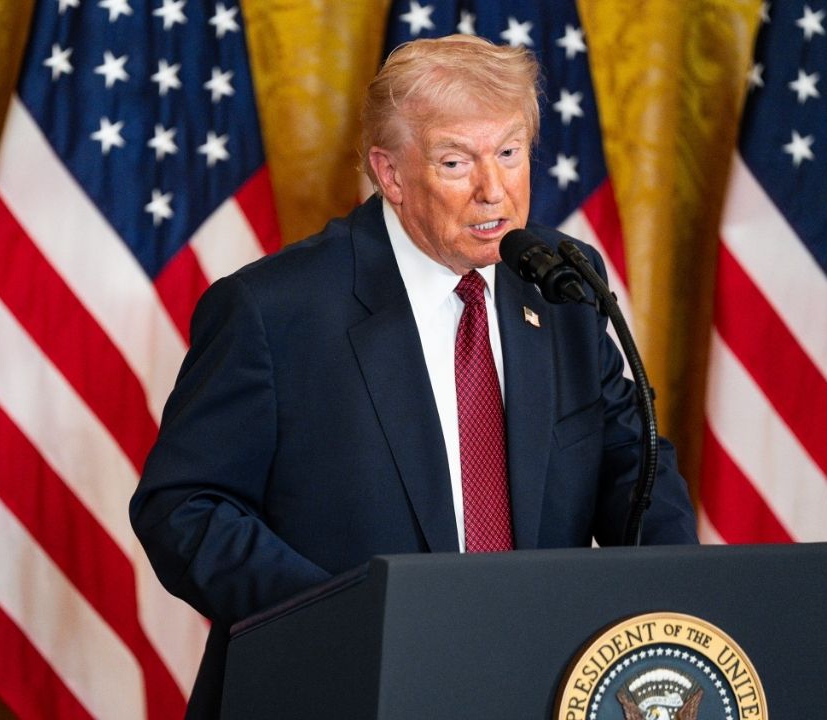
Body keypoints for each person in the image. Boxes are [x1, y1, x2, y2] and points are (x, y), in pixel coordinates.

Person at [130, 35, 698, 719]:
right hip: (337, 690)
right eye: (457, 161)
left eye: (510, 153)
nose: (495, 189)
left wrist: (679, 604)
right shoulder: (275, 311)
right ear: (391, 174)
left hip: (533, 685)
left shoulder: (562, 280)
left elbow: (630, 461)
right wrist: (340, 619)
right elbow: (183, 506)